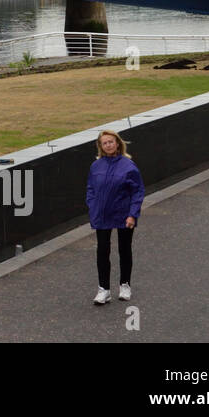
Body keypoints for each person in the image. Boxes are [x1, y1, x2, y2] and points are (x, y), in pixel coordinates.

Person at [86, 130, 145, 305]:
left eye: (111, 142)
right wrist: (93, 207)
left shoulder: (129, 166)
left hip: (123, 214)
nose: (108, 145)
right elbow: (90, 189)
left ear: (117, 143)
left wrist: (132, 214)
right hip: (102, 215)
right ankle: (103, 289)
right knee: (102, 251)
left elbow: (138, 191)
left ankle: (125, 284)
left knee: (124, 249)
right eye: (105, 143)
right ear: (101, 146)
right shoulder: (95, 166)